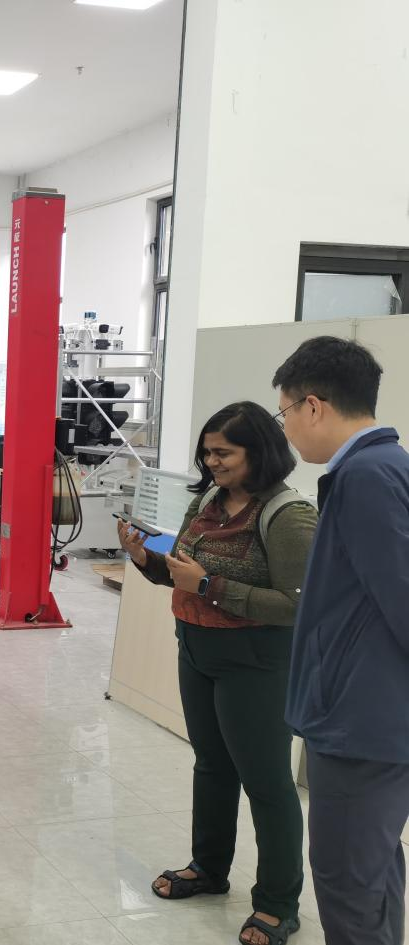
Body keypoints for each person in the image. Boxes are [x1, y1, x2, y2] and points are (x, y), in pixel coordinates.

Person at [118, 401, 317, 945]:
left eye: (223, 453)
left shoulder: (288, 515)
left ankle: (278, 903)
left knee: (266, 783)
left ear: (259, 452)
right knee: (211, 766)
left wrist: (209, 585)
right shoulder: (208, 500)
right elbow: (183, 572)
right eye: (207, 453)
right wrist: (146, 560)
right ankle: (209, 869)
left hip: (256, 660)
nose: (212, 462)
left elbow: (299, 605)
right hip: (196, 648)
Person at [272, 336, 409, 945]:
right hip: (371, 712)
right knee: (372, 874)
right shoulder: (384, 466)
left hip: (363, 720)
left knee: (348, 883)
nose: (286, 429)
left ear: (313, 406)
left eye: (285, 411)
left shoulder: (367, 476)